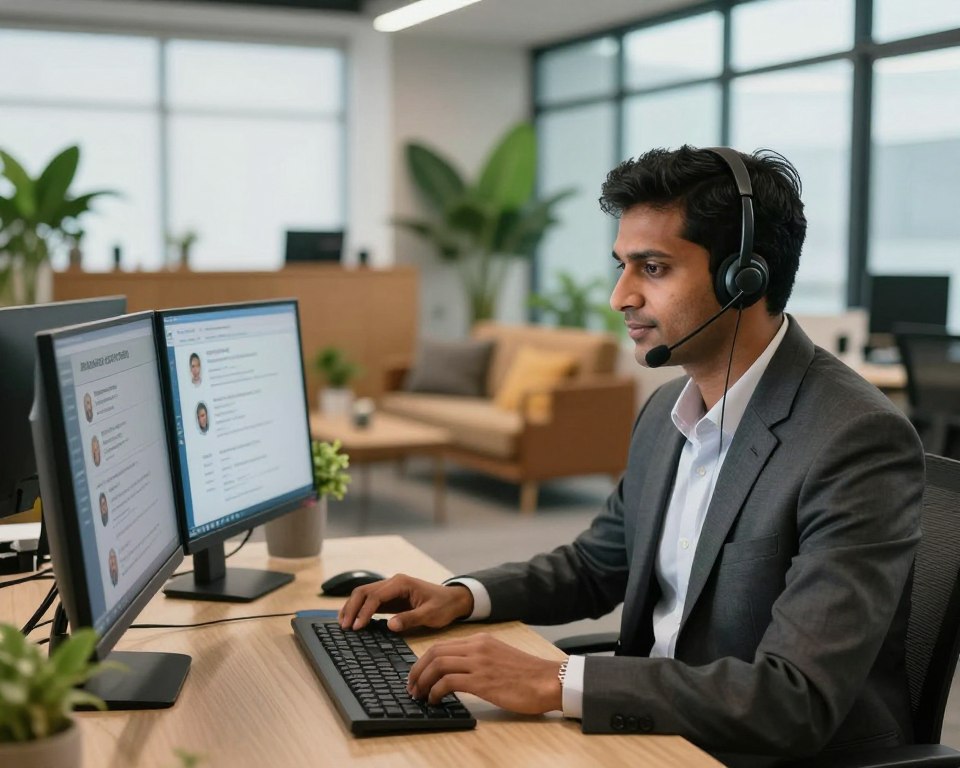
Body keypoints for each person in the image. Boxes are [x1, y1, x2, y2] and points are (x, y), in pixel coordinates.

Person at [339, 146, 924, 766]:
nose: (620, 296)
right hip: (654, 730)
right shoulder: (666, 413)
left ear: (743, 278)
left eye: (652, 268)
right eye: (622, 265)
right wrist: (463, 596)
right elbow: (598, 564)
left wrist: (556, 681)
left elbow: (793, 699)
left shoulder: (854, 440)